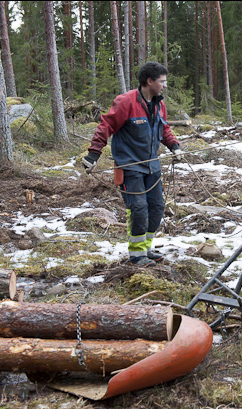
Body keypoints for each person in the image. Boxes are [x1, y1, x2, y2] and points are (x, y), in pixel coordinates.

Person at [82, 61, 183, 267]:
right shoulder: (125, 102)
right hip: (129, 167)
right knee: (138, 208)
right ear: (149, 81)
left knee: (156, 208)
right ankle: (136, 256)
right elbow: (106, 126)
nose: (164, 85)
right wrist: (93, 154)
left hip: (152, 166)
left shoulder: (159, 104)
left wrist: (174, 146)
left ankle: (145, 248)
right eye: (162, 81)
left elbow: (164, 129)